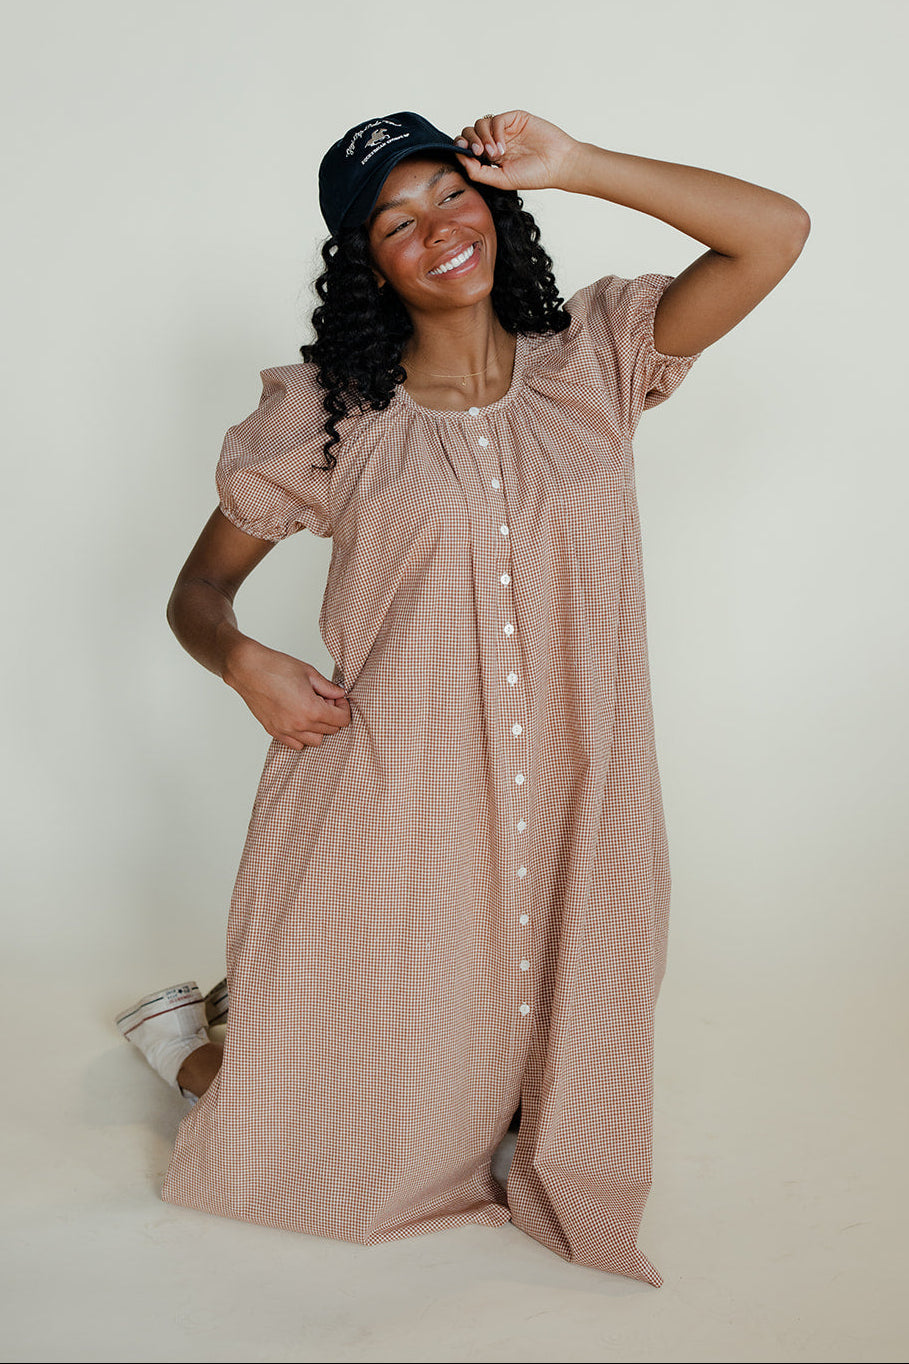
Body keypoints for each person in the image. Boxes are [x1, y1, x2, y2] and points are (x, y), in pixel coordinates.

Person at [116, 109, 809, 1284]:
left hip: (583, 789)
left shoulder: (594, 358)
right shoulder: (329, 417)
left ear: (493, 204)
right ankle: (187, 1047)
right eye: (398, 222)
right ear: (367, 265)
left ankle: (401, 1064)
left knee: (532, 1080)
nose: (438, 229)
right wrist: (241, 660)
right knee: (336, 1151)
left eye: (451, 193)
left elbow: (775, 233)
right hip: (403, 801)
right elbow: (196, 591)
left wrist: (577, 163)